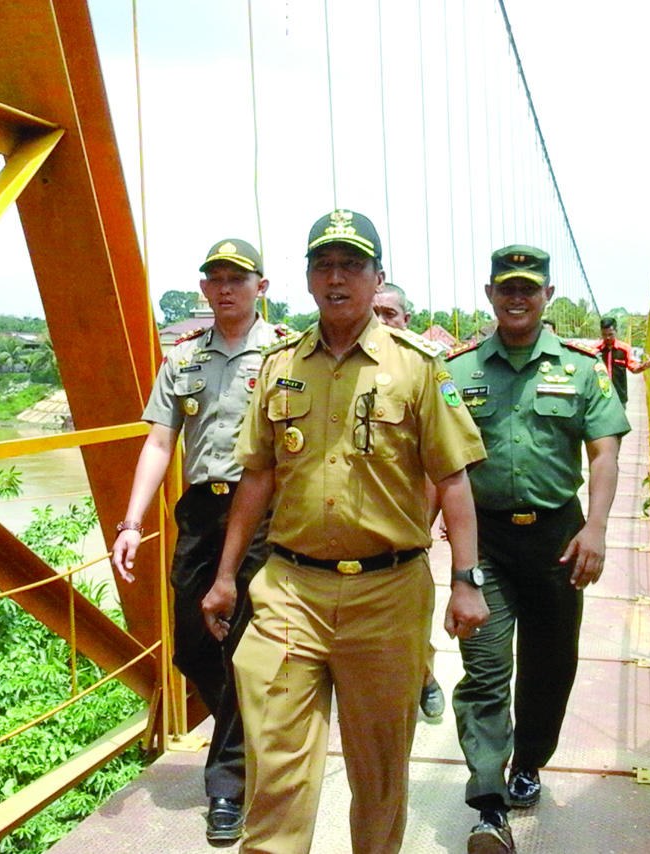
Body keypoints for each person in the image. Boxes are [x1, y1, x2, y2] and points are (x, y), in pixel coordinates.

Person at [201, 209, 489, 854]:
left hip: (386, 598)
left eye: (352, 266)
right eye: (324, 265)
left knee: (379, 775)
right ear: (305, 279)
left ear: (376, 277)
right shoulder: (279, 365)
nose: (337, 278)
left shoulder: (418, 368)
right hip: (289, 592)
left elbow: (454, 479)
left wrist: (466, 582)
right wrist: (225, 578)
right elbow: (256, 477)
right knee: (274, 770)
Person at [445, 245, 630, 854]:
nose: (517, 297)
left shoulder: (582, 370)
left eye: (529, 287)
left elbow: (604, 452)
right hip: (487, 541)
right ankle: (488, 803)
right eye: (506, 287)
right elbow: (439, 463)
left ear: (548, 295)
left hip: (559, 536)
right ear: (490, 293)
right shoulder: (459, 370)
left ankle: (531, 760)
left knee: (552, 667)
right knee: (485, 672)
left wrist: (597, 528)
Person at [111, 238, 283, 846]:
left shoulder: (286, 354)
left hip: (264, 513)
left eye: (237, 277)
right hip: (200, 512)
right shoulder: (182, 360)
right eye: (215, 277)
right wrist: (131, 524)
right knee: (189, 644)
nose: (225, 287)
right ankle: (261, 731)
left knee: (241, 641)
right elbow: (160, 442)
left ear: (261, 286)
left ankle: (227, 787)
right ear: (204, 289)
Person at [371, 281, 446, 719]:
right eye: (375, 313)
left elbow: (441, 463)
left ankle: (423, 675)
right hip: (349, 522)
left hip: (406, 519)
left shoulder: (424, 368)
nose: (381, 323)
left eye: (390, 314)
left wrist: (423, 522)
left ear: (407, 320)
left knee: (409, 615)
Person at [595, 315, 650, 405]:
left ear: (616, 332)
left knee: (619, 419)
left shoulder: (625, 349)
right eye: (604, 334)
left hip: (619, 397)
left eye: (610, 334)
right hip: (599, 396)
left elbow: (633, 368)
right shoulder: (594, 350)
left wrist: (643, 367)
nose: (607, 338)